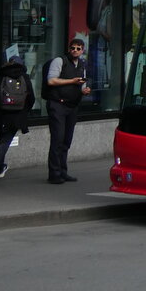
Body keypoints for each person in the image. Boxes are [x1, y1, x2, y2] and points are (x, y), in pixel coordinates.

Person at [44, 38, 90, 183]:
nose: (75, 51)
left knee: (66, 141)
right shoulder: (59, 61)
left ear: (83, 51)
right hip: (58, 104)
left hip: (72, 106)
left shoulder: (82, 64)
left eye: (78, 48)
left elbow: (82, 83)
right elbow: (51, 81)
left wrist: (84, 90)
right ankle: (54, 174)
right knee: (57, 139)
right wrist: (72, 81)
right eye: (73, 48)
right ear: (69, 49)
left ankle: (63, 171)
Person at [0, 55, 35, 183]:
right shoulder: (24, 76)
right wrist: (24, 110)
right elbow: (31, 98)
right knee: (6, 141)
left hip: (1, 113)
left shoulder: (1, 75)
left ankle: (0, 168)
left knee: (1, 138)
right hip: (17, 114)